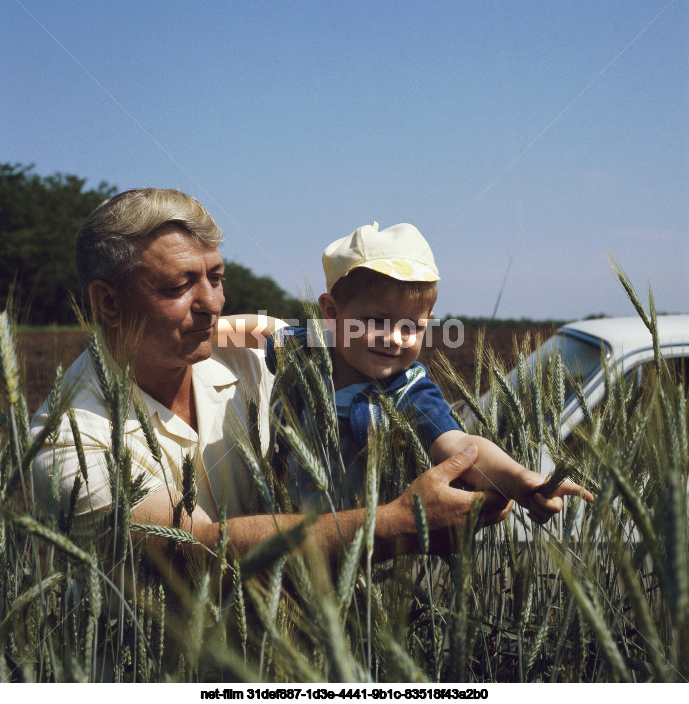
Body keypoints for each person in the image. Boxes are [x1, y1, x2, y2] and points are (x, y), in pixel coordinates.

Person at [30, 189, 512, 562]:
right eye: (179, 286)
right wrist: (395, 524)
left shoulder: (262, 354)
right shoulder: (68, 440)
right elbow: (200, 551)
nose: (214, 304)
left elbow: (383, 382)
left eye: (216, 278)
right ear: (109, 302)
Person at [259, 221, 593, 522]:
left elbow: (459, 443)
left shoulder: (409, 392)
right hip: (276, 538)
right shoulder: (305, 351)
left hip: (361, 558)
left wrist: (517, 476)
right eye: (376, 321)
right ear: (332, 313)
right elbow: (266, 328)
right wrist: (215, 329)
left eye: (412, 327)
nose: (394, 338)